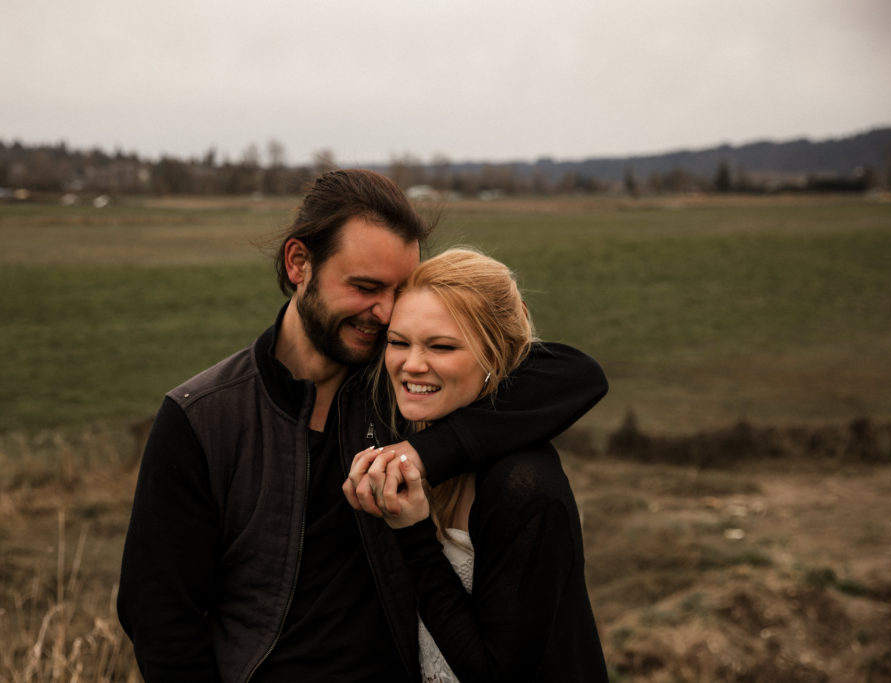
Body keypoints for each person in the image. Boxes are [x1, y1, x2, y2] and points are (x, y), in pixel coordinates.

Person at [117, 169, 608, 682]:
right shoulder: (204, 416)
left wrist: (426, 453)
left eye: (399, 290)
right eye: (365, 287)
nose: (384, 312)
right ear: (299, 263)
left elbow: (574, 374)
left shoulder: (405, 384)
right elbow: (161, 618)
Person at [348, 248, 608, 682]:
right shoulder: (400, 426)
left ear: (496, 355)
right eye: (397, 342)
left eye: (443, 346)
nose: (411, 364)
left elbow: (494, 673)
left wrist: (413, 534)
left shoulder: (524, 486)